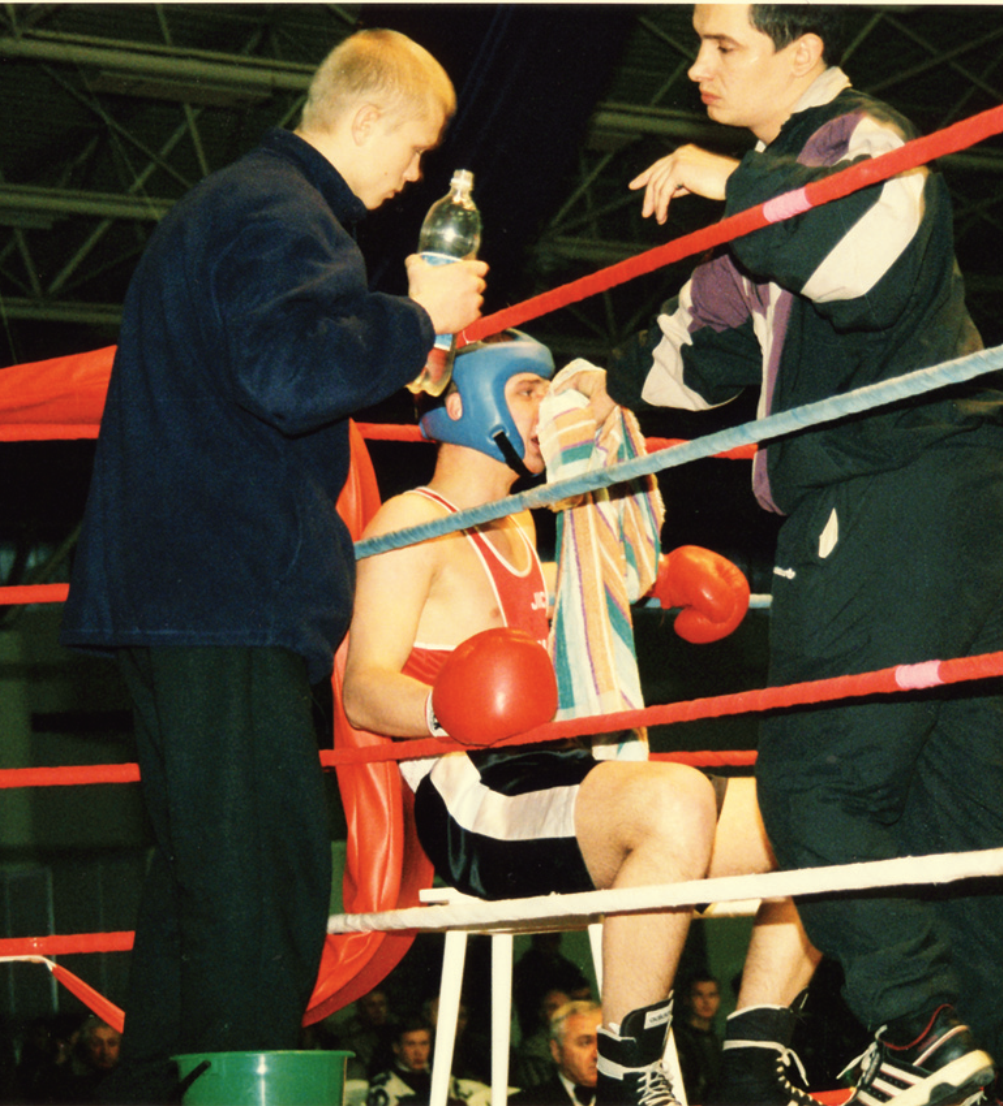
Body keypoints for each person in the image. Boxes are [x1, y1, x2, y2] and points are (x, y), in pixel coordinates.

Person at [594, 6, 1003, 1105]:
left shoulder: (859, 137)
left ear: (804, 52)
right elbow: (697, 353)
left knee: (813, 780)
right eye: (697, 42)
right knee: (962, 795)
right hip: (951, 498)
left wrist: (730, 183)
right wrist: (597, 380)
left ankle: (918, 1027)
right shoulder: (778, 184)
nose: (696, 67)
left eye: (725, 45)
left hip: (896, 489)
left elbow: (863, 266)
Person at [58, 28, 487, 1105]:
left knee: (200, 886)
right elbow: (289, 374)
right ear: (370, 117)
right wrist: (417, 319)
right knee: (262, 887)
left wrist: (388, 333)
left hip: (182, 592)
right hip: (225, 594)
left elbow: (268, 369)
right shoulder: (284, 211)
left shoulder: (235, 202)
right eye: (415, 148)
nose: (416, 175)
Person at [341, 330, 819, 1106]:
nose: (550, 409)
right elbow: (363, 690)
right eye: (528, 390)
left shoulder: (523, 525)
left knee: (815, 815)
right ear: (466, 404)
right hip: (469, 797)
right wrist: (447, 706)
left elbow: (576, 605)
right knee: (675, 798)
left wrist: (658, 580)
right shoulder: (409, 521)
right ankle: (629, 1076)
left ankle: (753, 1064)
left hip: (550, 775)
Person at [367, 1016, 491, 1106]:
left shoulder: (446, 1080)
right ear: (396, 1048)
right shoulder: (382, 1086)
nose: (418, 1052)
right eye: (411, 1044)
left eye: (424, 1043)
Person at [511, 1001, 603, 1106]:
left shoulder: (619, 1096)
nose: (598, 1055)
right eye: (585, 1043)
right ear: (556, 1051)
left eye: (605, 1042)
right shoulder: (522, 1102)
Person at [672, 972, 723, 1105]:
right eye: (699, 995)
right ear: (687, 999)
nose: (706, 1002)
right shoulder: (678, 1040)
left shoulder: (718, 1042)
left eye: (712, 995)